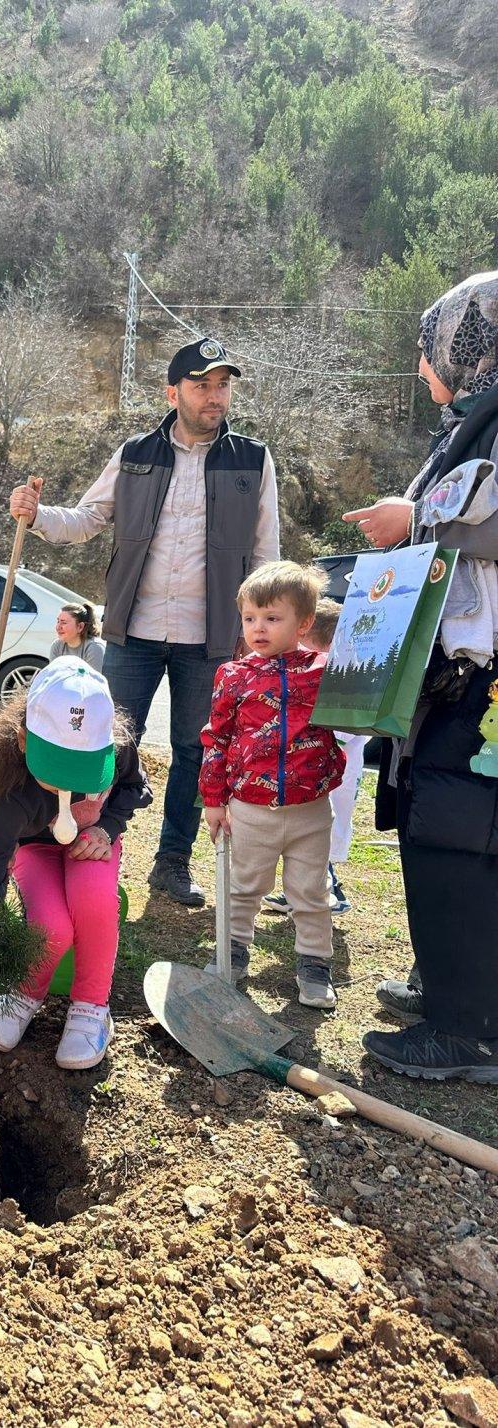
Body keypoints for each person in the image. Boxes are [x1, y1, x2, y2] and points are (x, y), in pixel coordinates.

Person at [10, 337, 279, 908]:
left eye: (223, 385)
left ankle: (172, 863)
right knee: (103, 738)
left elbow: (264, 552)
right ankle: (87, 838)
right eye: (202, 384)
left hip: (211, 639)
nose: (215, 396)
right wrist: (38, 518)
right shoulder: (135, 453)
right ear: (173, 391)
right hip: (132, 629)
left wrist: (259, 631)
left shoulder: (252, 459)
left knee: (193, 749)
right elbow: (86, 518)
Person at [343, 271, 498, 1081]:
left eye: (427, 346)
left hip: (484, 677)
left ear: (467, 342)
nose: (420, 366)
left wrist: (418, 520)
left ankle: (464, 1028)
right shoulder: (472, 419)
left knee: (453, 831)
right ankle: (454, 986)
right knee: (444, 825)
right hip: (459, 670)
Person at [0, 657, 151, 1070]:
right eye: (58, 771)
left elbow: (132, 787)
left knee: (93, 899)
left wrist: (106, 827)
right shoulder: (13, 791)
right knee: (50, 924)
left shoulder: (119, 750)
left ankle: (91, 1006)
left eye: (82, 771)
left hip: (94, 840)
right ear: (23, 740)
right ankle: (25, 991)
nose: (70, 786)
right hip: (37, 850)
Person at [199, 562, 345, 1010]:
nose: (258, 628)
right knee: (244, 886)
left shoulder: (326, 671)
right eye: (249, 618)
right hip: (250, 808)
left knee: (310, 892)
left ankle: (315, 965)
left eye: (272, 618)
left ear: (303, 623)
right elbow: (217, 739)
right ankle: (233, 951)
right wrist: (214, 800)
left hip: (310, 810)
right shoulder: (233, 676)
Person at [262, 597, 366, 916]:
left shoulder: (342, 676)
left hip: (332, 772)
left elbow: (341, 732)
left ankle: (326, 891)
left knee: (318, 832)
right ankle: (309, 889)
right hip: (311, 770)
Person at [49, 602, 105, 671]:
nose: (58, 627)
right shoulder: (57, 645)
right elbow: (53, 677)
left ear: (80, 627)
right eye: (58, 621)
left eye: (64, 623)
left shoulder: (94, 648)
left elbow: (91, 680)